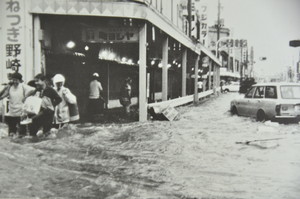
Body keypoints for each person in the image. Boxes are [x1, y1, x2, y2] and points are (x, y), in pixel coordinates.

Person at [0, 72, 35, 137]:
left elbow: (33, 90)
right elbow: (2, 96)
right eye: (13, 79)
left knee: (22, 134)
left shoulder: (23, 86)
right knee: (11, 133)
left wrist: (26, 96)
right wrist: (5, 87)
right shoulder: (10, 87)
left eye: (16, 80)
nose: (15, 81)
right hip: (12, 114)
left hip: (21, 114)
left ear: (19, 80)